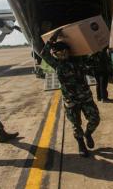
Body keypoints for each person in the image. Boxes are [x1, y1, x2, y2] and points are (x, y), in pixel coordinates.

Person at [41, 29, 100, 157]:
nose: (62, 54)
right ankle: (81, 145)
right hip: (71, 101)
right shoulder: (56, 64)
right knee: (76, 124)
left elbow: (91, 56)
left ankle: (88, 134)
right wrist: (52, 38)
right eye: (59, 52)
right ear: (55, 54)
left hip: (85, 97)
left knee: (95, 119)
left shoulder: (78, 61)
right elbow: (43, 53)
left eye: (64, 51)